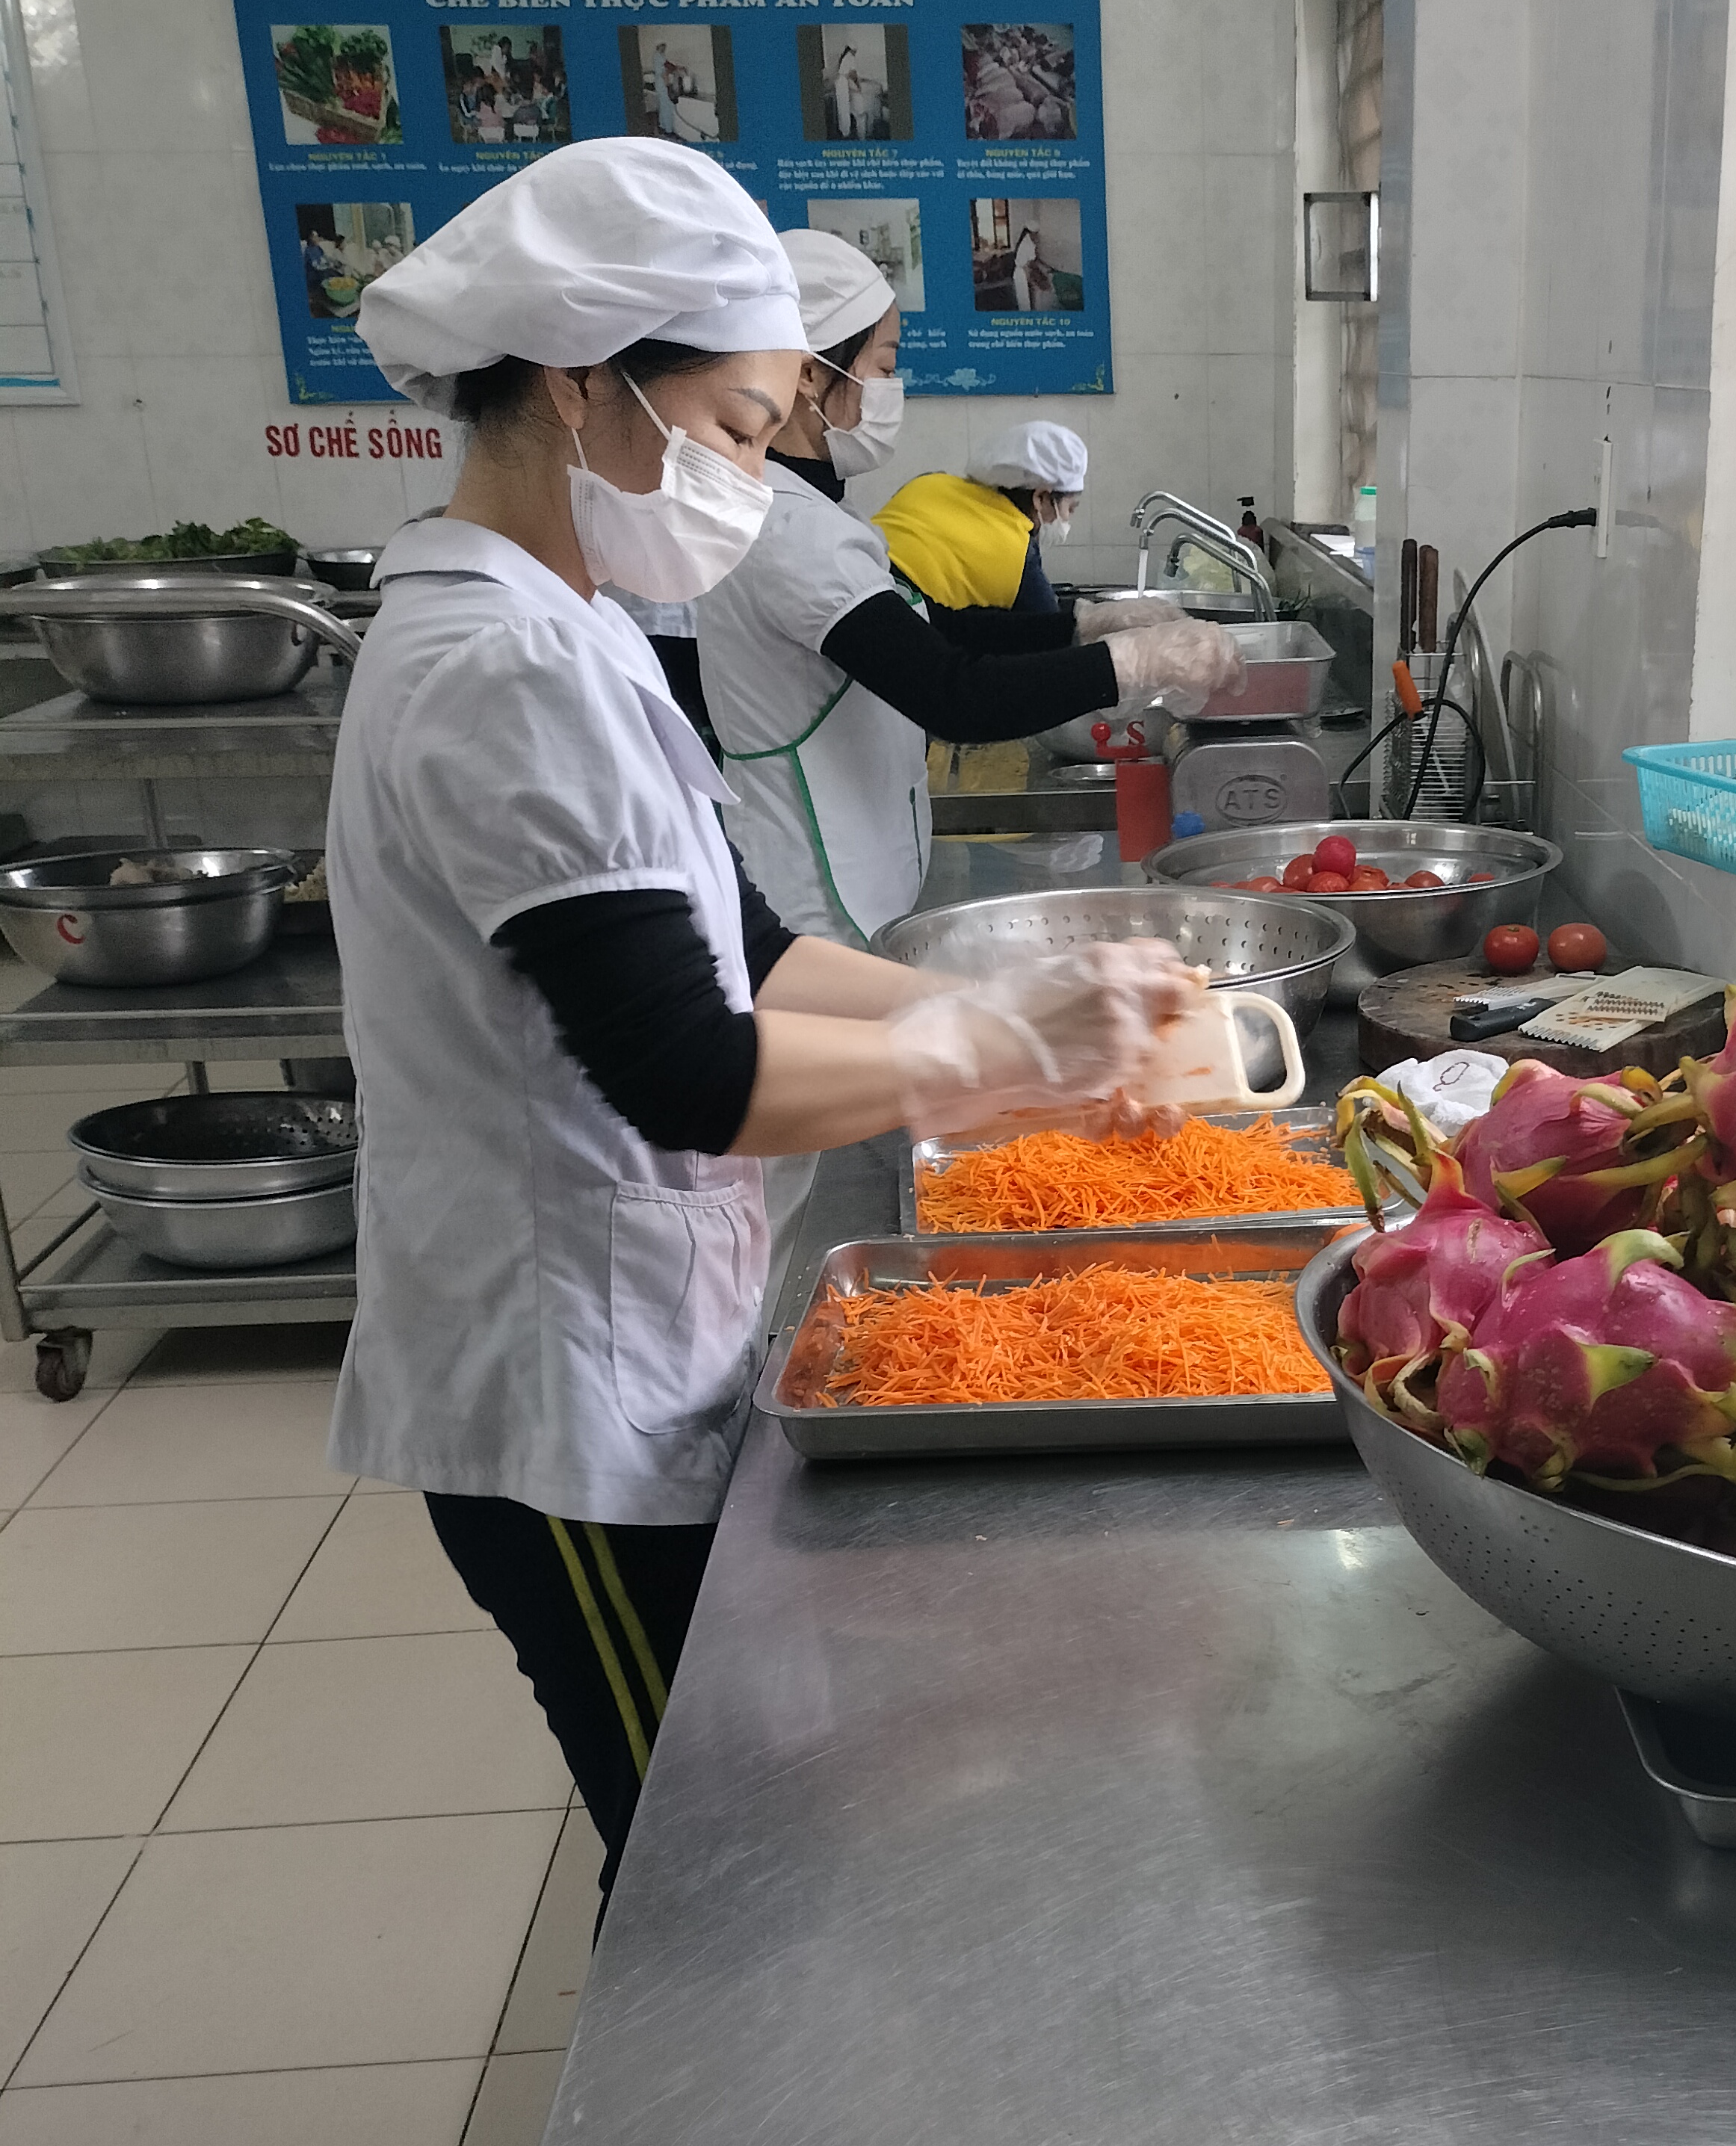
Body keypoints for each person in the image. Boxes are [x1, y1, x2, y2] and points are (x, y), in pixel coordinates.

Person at [335, 140, 1201, 1899]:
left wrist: (1001, 1000)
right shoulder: (501, 666)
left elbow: (746, 947)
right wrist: (1013, 1057)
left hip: (647, 1323)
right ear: (579, 384)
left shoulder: (570, 623)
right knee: (694, 1865)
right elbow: (686, 1068)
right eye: (735, 427)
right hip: (562, 1397)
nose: (751, 477)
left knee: (742, 1805)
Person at [693, 232, 1230, 1314]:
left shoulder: (812, 515)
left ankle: (773, 1333)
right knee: (782, 1196)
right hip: (807, 889)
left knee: (813, 1171)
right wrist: (1134, 664)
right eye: (884, 363)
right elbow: (953, 690)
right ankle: (766, 1354)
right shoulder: (782, 530)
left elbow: (936, 627)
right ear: (811, 377)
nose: (889, 391)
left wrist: (1088, 621)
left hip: (842, 878)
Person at [877, 417, 1090, 622]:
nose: (1067, 519)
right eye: (1070, 509)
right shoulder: (1017, 554)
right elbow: (1052, 630)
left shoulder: (927, 483)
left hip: (862, 586)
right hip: (895, 624)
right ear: (1041, 498)